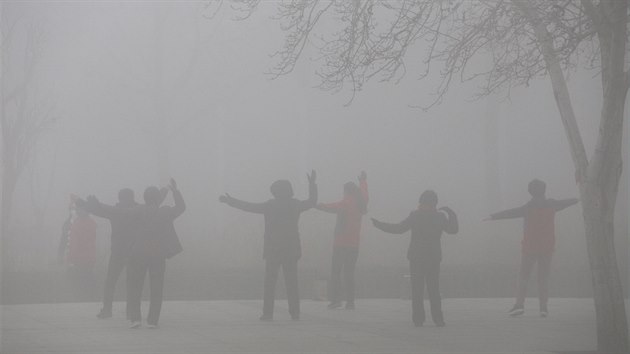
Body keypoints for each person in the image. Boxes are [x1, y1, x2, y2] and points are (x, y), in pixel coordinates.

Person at [82, 178, 185, 329]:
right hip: (157, 255)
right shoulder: (165, 212)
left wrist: (97, 205)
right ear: (157, 199)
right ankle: (152, 321)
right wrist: (174, 191)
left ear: (143, 198)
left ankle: (135, 318)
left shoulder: (138, 211)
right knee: (156, 288)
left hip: (138, 253)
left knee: (134, 287)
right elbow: (181, 207)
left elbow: (117, 211)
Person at [219, 171, 317, 321]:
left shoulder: (270, 205)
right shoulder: (295, 204)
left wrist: (230, 201)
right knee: (292, 282)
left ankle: (267, 313)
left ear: (275, 192)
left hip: (273, 248)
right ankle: (295, 312)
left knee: (270, 283)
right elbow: (312, 201)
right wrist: (312, 184)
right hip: (291, 249)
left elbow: (249, 207)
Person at [485, 179, 578, 317]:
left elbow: (511, 213)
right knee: (543, 278)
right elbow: (566, 202)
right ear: (544, 190)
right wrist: (578, 199)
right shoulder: (552, 205)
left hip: (530, 247)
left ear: (530, 192)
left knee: (523, 276)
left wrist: (492, 216)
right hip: (547, 247)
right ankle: (543, 308)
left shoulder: (528, 208)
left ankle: (519, 305)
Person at [372, 190, 458, 327]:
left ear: (421, 202)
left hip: (416, 257)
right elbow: (453, 230)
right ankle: (438, 319)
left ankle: (418, 319)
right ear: (435, 203)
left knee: (416, 289)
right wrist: (451, 213)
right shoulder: (440, 217)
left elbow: (399, 229)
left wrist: (380, 225)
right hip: (433, 257)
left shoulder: (415, 216)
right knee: (434, 289)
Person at [316, 171, 368, 310]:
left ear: (346, 191)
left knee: (336, 272)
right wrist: (363, 181)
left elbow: (333, 207)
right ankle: (350, 301)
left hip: (340, 243)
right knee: (349, 273)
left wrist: (320, 206)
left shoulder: (346, 203)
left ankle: (336, 300)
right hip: (354, 244)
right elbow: (364, 193)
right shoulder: (360, 203)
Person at [87, 188, 139, 319]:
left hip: (118, 250)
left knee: (111, 281)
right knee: (132, 283)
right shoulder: (138, 210)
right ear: (132, 197)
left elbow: (98, 210)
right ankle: (131, 311)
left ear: (119, 198)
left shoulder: (115, 211)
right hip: (133, 250)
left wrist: (86, 203)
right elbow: (154, 205)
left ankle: (107, 310)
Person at [59, 203, 98, 301]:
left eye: (79, 209)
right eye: (76, 209)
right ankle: (84, 298)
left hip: (83, 258)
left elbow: (72, 242)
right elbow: (66, 240)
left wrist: (68, 257)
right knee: (82, 280)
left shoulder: (82, 223)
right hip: (82, 258)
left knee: (82, 280)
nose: (77, 211)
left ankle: (83, 298)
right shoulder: (86, 223)